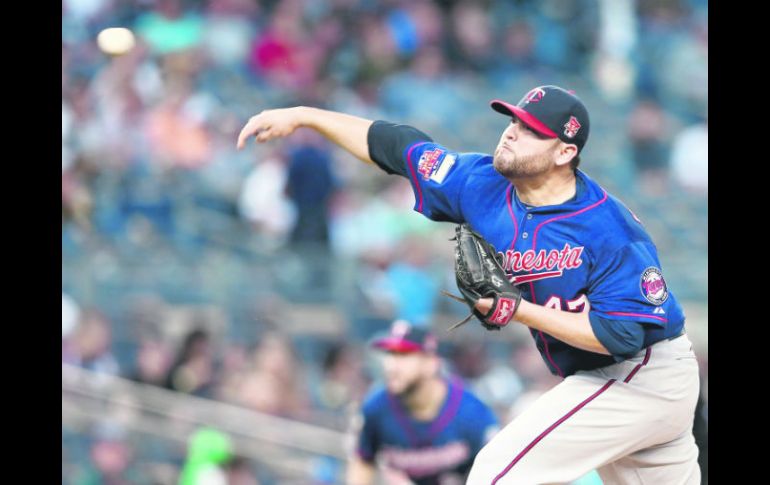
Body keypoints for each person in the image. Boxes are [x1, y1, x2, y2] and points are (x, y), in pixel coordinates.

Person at [236, 84, 701, 483]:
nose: (513, 131)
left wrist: (517, 310)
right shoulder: (481, 184)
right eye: (513, 120)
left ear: (565, 152)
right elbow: (397, 146)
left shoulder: (606, 226)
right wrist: (307, 116)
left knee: (496, 474)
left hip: (641, 373)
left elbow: (621, 335)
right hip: (607, 378)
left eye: (530, 129)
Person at [347, 320, 499, 485]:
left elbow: (497, 465)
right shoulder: (375, 408)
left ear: (431, 363)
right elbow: (362, 461)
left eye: (403, 355)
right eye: (389, 354)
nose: (391, 366)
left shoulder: (471, 411)